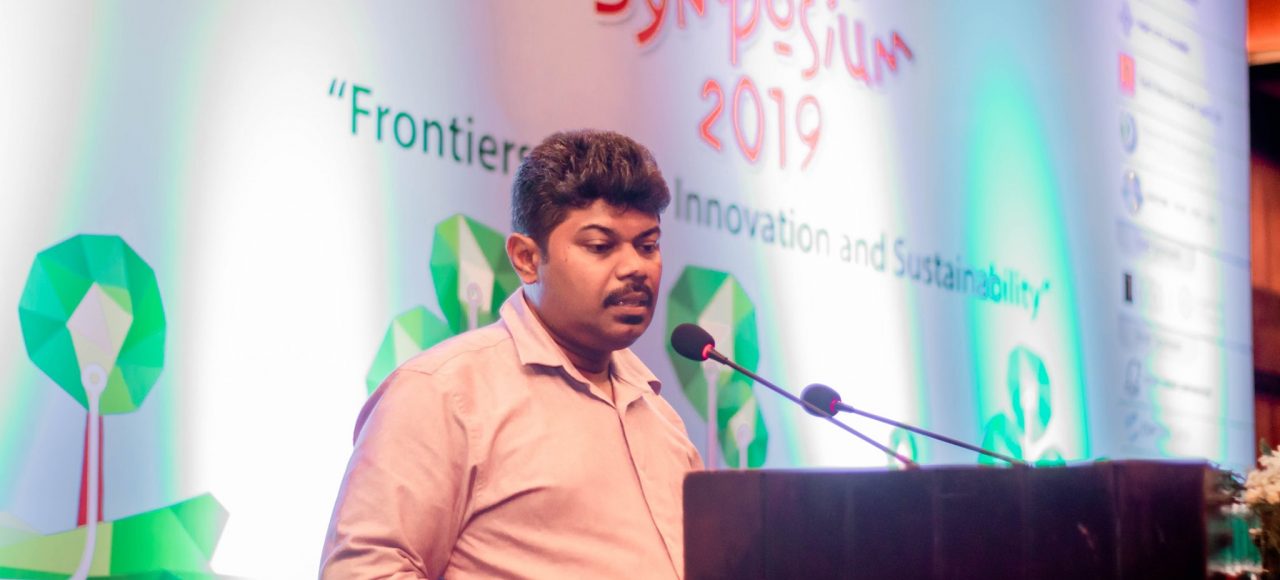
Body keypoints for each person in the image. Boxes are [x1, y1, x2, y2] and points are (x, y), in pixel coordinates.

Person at [321, 129, 703, 579]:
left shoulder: (663, 421)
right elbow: (365, 569)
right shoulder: (444, 394)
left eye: (648, 245)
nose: (635, 267)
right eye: (600, 246)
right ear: (526, 258)